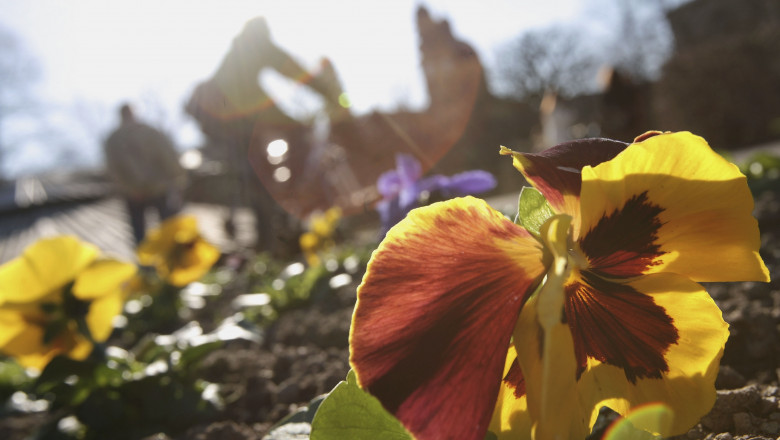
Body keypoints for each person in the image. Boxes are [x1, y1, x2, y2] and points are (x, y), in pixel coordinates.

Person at [104, 103, 187, 244]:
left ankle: (156, 260)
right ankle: (158, 259)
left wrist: (177, 180)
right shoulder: (118, 139)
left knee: (159, 227)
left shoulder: (115, 138)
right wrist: (178, 179)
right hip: (147, 190)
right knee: (153, 229)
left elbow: (167, 155)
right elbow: (114, 169)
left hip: (150, 190)